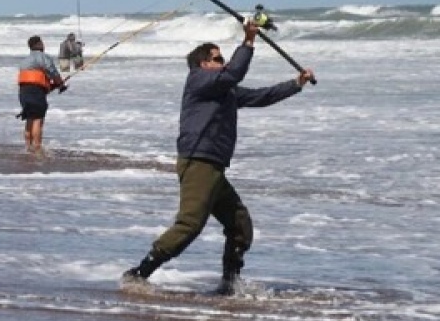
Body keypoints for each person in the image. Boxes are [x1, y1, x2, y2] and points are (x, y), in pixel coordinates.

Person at [121, 20, 315, 295]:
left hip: (213, 166)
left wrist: (296, 84)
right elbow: (234, 73)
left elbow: (261, 96)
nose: (223, 62)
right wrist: (248, 41)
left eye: (223, 58)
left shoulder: (224, 90)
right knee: (190, 225)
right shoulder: (199, 80)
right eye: (218, 58)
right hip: (198, 160)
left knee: (240, 225)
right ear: (204, 64)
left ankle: (229, 284)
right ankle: (138, 273)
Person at [17, 35, 67, 155]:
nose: (44, 45)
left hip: (23, 92)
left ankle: (28, 148)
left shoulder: (24, 61)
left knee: (29, 119)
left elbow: (33, 79)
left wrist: (51, 86)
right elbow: (52, 72)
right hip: (36, 92)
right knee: (38, 120)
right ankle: (37, 149)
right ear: (39, 44)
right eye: (42, 43)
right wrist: (60, 84)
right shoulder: (43, 57)